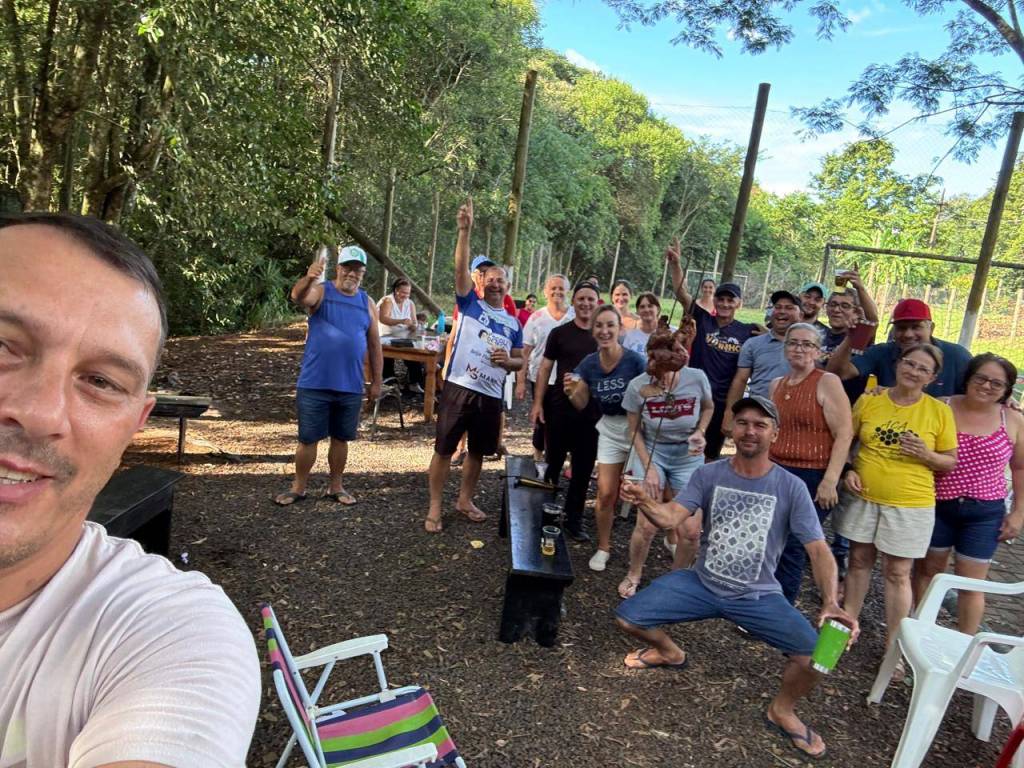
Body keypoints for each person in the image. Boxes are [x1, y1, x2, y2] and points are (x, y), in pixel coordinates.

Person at [0, 212, 260, 765]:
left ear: (135, 425)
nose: (40, 413)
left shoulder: (167, 634)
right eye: (2, 345)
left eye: (100, 381)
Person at [617, 396, 857, 760]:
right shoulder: (708, 474)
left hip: (758, 596)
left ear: (775, 434)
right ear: (732, 430)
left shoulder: (790, 487)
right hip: (702, 583)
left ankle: (782, 710)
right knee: (628, 617)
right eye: (743, 422)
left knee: (819, 657)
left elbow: (819, 549)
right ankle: (669, 652)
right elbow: (670, 518)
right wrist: (643, 500)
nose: (750, 431)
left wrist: (830, 602)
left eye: (760, 425)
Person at [834, 344, 957, 673]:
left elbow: (949, 461)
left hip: (910, 503)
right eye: (909, 363)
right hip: (865, 496)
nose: (913, 371)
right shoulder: (870, 399)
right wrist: (848, 470)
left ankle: (894, 647)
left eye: (922, 369)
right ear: (898, 364)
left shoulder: (938, 411)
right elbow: (846, 440)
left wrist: (926, 455)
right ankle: (845, 627)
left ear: (932, 378)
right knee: (858, 561)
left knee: (898, 573)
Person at [426, 199, 523, 533]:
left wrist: (509, 361)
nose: (496, 284)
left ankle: (464, 500)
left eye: (502, 280)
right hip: (460, 387)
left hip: (490, 395)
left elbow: (519, 360)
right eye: (491, 279)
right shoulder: (469, 303)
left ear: (508, 287)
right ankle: (435, 507)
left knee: (479, 452)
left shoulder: (513, 323)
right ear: (481, 282)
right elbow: (458, 269)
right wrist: (464, 231)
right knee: (444, 449)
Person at [916, 353, 1024, 634]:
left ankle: (965, 646)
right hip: (936, 504)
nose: (986, 386)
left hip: (984, 513)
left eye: (996, 384)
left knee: (970, 584)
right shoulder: (941, 406)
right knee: (928, 572)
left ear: (1007, 390)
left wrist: (1018, 513)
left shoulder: (1012, 419)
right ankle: (919, 634)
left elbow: (1020, 468)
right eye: (981, 378)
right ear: (968, 377)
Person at [275, 244, 382, 507]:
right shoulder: (322, 291)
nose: (352, 274)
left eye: (357, 270)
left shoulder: (367, 303)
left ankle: (336, 486)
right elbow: (298, 297)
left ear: (363, 273)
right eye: (347, 268)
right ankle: (299, 487)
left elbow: (375, 345)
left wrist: (377, 382)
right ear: (338, 268)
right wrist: (309, 277)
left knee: (341, 439)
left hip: (351, 384)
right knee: (308, 439)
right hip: (315, 382)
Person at [619, 332, 713, 597]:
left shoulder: (697, 378)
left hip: (687, 455)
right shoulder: (638, 386)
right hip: (652, 451)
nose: (663, 379)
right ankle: (634, 573)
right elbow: (634, 431)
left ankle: (675, 580)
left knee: (691, 531)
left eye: (668, 370)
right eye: (657, 371)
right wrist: (648, 467)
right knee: (647, 525)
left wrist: (701, 432)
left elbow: (708, 407)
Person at [768, 323, 854, 604]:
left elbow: (844, 433)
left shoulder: (827, 381)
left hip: (813, 474)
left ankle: (782, 606)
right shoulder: (776, 385)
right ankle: (764, 599)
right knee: (772, 538)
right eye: (793, 343)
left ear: (818, 351)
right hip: (777, 471)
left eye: (807, 344)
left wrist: (831, 479)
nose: (799, 349)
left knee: (795, 542)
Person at [566, 305, 647, 570]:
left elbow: (651, 394)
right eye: (599, 325)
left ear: (620, 329)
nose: (604, 331)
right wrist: (572, 391)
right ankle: (603, 547)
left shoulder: (635, 361)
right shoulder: (588, 364)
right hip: (610, 429)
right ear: (593, 331)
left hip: (638, 429)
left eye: (610, 325)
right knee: (606, 492)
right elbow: (581, 403)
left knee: (642, 493)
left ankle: (660, 541)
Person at [667, 241, 759, 460]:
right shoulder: (703, 319)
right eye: (721, 299)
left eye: (730, 300)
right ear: (715, 300)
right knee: (683, 450)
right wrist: (676, 264)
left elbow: (776, 334)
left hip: (721, 402)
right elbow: (681, 293)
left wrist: (731, 410)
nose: (725, 304)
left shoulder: (747, 331)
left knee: (709, 454)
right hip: (693, 395)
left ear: (739, 303)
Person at [531, 282, 600, 540]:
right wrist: (538, 403)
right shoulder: (559, 333)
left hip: (591, 412)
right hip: (559, 408)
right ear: (574, 301)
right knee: (553, 463)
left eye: (590, 299)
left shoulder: (603, 336)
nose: (585, 303)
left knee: (582, 469)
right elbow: (545, 369)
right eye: (581, 298)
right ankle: (546, 514)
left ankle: (574, 520)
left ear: (597, 303)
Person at [446, 254, 518, 465]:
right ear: (475, 276)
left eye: (487, 271)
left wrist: (508, 361)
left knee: (498, 406)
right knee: (460, 414)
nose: (484, 276)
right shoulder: (467, 298)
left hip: (493, 372)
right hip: (464, 374)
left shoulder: (505, 300)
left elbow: (512, 332)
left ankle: (496, 442)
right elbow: (454, 334)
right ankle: (459, 447)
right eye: (480, 272)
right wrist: (447, 360)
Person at [827, 298, 971, 397]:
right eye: (901, 328)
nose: (908, 334)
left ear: (931, 328)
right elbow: (837, 373)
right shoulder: (882, 352)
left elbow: (977, 396)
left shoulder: (957, 356)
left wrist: (949, 402)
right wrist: (851, 337)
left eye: (916, 327)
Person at [722, 290, 801, 433]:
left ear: (800, 314)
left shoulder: (808, 346)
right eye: (778, 307)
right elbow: (741, 380)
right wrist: (729, 414)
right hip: (759, 418)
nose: (782, 311)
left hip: (795, 420)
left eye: (789, 308)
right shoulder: (753, 344)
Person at [516, 275, 573, 466]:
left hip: (568, 379)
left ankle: (560, 457)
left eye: (561, 288)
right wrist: (521, 381)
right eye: (553, 288)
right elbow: (525, 352)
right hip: (540, 377)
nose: (557, 292)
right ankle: (538, 455)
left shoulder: (574, 316)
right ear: (545, 292)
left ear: (567, 291)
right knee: (541, 417)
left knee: (566, 419)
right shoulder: (536, 318)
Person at [818, 276, 880, 403]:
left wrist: (860, 288)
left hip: (844, 405)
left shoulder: (860, 337)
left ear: (856, 311)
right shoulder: (818, 334)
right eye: (833, 304)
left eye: (845, 306)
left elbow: (872, 319)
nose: (836, 310)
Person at [378, 277, 425, 394]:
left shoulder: (410, 303)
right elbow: (383, 318)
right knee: (387, 355)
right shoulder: (388, 301)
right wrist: (401, 321)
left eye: (408, 293)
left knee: (414, 352)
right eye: (403, 292)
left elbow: (414, 322)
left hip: (403, 337)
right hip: (385, 336)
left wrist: (414, 326)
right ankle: (390, 383)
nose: (405, 295)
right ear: (396, 290)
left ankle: (414, 383)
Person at [622, 292, 661, 356]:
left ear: (658, 309)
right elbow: (625, 359)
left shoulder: (671, 333)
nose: (646, 310)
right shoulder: (630, 336)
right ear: (637, 311)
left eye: (650, 306)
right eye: (642, 307)